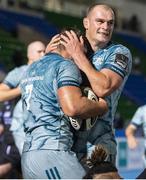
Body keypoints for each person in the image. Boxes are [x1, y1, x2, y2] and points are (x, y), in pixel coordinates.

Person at [19, 29, 108, 179]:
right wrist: (101, 107)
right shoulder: (65, 65)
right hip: (53, 153)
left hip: (29, 156)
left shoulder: (31, 68)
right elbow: (73, 107)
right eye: (84, 52)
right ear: (75, 45)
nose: (82, 58)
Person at [60, 3, 132, 167]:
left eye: (110, 23)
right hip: (65, 142)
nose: (106, 27)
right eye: (100, 21)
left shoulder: (119, 52)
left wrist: (78, 56)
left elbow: (103, 87)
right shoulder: (69, 45)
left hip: (99, 143)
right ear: (86, 23)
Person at [0, 41, 46, 154]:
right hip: (21, 130)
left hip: (43, 127)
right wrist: (21, 89)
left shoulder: (47, 71)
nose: (43, 54)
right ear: (29, 55)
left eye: (45, 51)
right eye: (39, 51)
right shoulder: (20, 72)